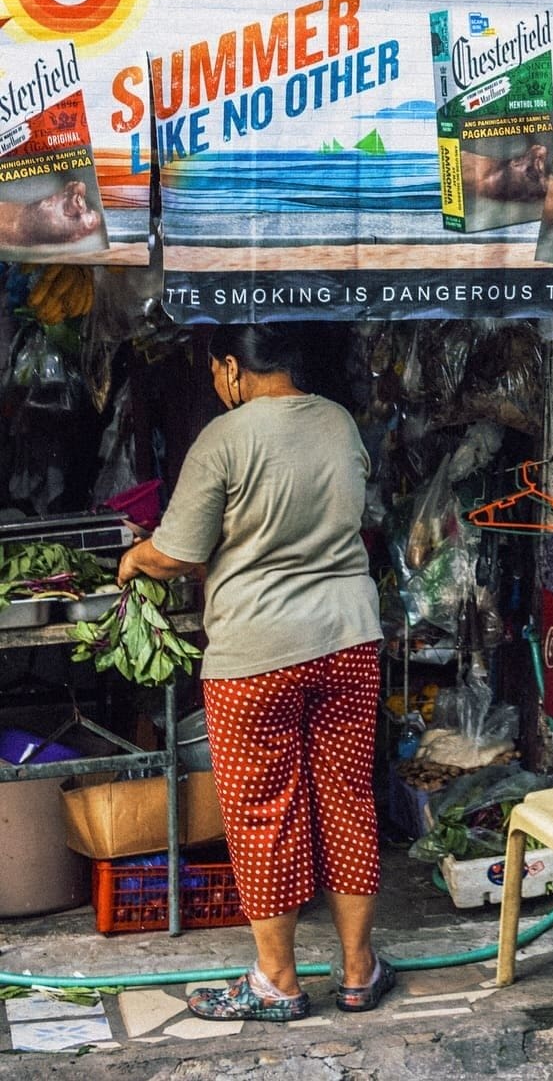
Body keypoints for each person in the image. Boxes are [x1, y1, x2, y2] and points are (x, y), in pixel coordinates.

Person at [118, 325, 392, 1022]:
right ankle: (358, 971)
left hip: (256, 656)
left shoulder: (224, 437)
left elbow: (180, 550)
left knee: (264, 813)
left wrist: (136, 559)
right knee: (346, 801)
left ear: (233, 369)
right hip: (348, 642)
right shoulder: (337, 421)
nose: (217, 385)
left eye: (217, 373)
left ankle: (278, 980)